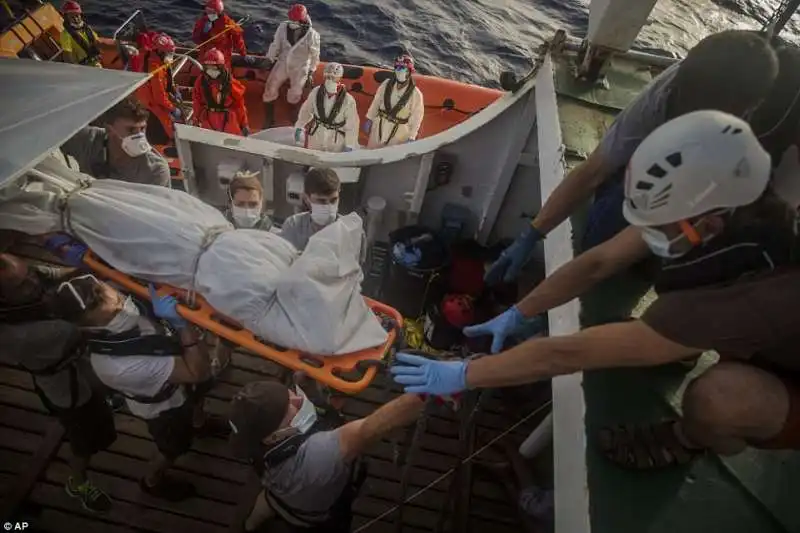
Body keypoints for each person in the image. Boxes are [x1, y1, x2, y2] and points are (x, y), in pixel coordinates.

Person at [392, 110, 800, 464]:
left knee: (719, 398)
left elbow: (566, 353)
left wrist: (466, 373)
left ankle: (687, 441)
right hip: (753, 324)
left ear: (706, 223)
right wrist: (521, 312)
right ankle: (678, 347)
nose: (645, 228)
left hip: (784, 366)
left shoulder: (761, 292)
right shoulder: (716, 204)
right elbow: (599, 262)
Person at [484, 30, 779, 290]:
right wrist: (532, 234)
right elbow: (594, 171)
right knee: (616, 207)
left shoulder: (773, 129)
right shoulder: (663, 96)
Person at [52, 270, 220, 500]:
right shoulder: (116, 364)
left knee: (199, 397)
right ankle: (153, 481)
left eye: (101, 289)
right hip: (167, 405)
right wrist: (180, 326)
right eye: (97, 303)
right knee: (173, 447)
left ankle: (200, 423)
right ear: (84, 324)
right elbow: (197, 372)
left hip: (177, 364)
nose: (111, 297)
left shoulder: (118, 293)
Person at [228, 379, 425, 532]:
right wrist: (426, 395)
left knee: (266, 505)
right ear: (273, 437)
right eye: (292, 408)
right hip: (312, 515)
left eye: (290, 395)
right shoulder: (316, 457)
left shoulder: (252, 437)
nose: (300, 400)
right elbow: (368, 430)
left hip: (275, 490)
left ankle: (249, 525)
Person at [0, 252, 114, 513]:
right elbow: (91, 325)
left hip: (75, 365)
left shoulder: (22, 281)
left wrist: (87, 264)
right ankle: (78, 482)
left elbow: (49, 274)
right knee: (84, 438)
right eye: (23, 285)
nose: (33, 282)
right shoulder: (23, 334)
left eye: (28, 273)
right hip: (67, 386)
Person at [61, 97, 171, 186]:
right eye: (131, 130)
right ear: (109, 130)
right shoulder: (88, 140)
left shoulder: (155, 170)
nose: (139, 136)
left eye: (142, 129)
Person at [262, 4, 321, 129]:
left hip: (300, 67)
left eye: (295, 20)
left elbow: (315, 55)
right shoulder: (283, 27)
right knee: (270, 87)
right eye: (291, 19)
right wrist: (270, 58)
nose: (292, 22)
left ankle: (294, 112)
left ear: (303, 20)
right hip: (283, 62)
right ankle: (269, 117)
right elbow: (275, 44)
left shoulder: (312, 35)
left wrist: (311, 71)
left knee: (295, 92)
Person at [294, 62, 359, 152]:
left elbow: (352, 124)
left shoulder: (348, 100)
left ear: (339, 78)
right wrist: (299, 126)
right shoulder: (315, 92)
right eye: (328, 77)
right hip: (316, 134)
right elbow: (306, 111)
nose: (330, 80)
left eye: (333, 77)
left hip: (335, 138)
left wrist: (350, 144)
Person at [364, 53, 424, 147]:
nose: (399, 71)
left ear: (409, 71)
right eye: (397, 67)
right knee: (371, 149)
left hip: (398, 133)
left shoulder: (416, 94)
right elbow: (376, 102)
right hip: (379, 126)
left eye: (402, 68)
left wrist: (412, 136)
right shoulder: (386, 84)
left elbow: (417, 117)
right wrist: (370, 118)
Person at [135, 33, 184, 140]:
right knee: (166, 132)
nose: (171, 55)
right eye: (169, 52)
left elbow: (167, 81)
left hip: (149, 101)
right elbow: (159, 96)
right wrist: (172, 108)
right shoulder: (155, 68)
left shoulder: (155, 59)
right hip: (151, 105)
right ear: (160, 52)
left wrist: (175, 91)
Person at [279, 167, 340, 251]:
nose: (328, 206)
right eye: (321, 201)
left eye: (333, 200)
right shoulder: (293, 226)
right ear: (306, 198)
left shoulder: (350, 230)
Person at [193, 47, 250, 137]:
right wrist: (196, 118)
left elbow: (239, 105)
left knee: (231, 144)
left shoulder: (231, 83)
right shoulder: (200, 81)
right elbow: (197, 101)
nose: (211, 71)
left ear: (221, 67)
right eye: (208, 68)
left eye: (214, 68)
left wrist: (244, 124)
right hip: (208, 118)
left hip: (228, 120)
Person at [192, 0, 246, 70]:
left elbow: (238, 38)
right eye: (208, 11)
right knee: (202, 72)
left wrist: (242, 52)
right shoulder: (203, 21)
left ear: (219, 12)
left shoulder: (228, 23)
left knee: (222, 73)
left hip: (222, 56)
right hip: (205, 54)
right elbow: (195, 39)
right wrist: (203, 33)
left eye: (212, 12)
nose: (209, 14)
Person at [59, 1, 101, 67]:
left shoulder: (87, 28)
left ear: (80, 15)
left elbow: (97, 42)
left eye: (77, 15)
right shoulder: (65, 35)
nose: (76, 19)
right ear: (66, 18)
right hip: (82, 68)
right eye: (72, 17)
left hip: (96, 64)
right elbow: (67, 57)